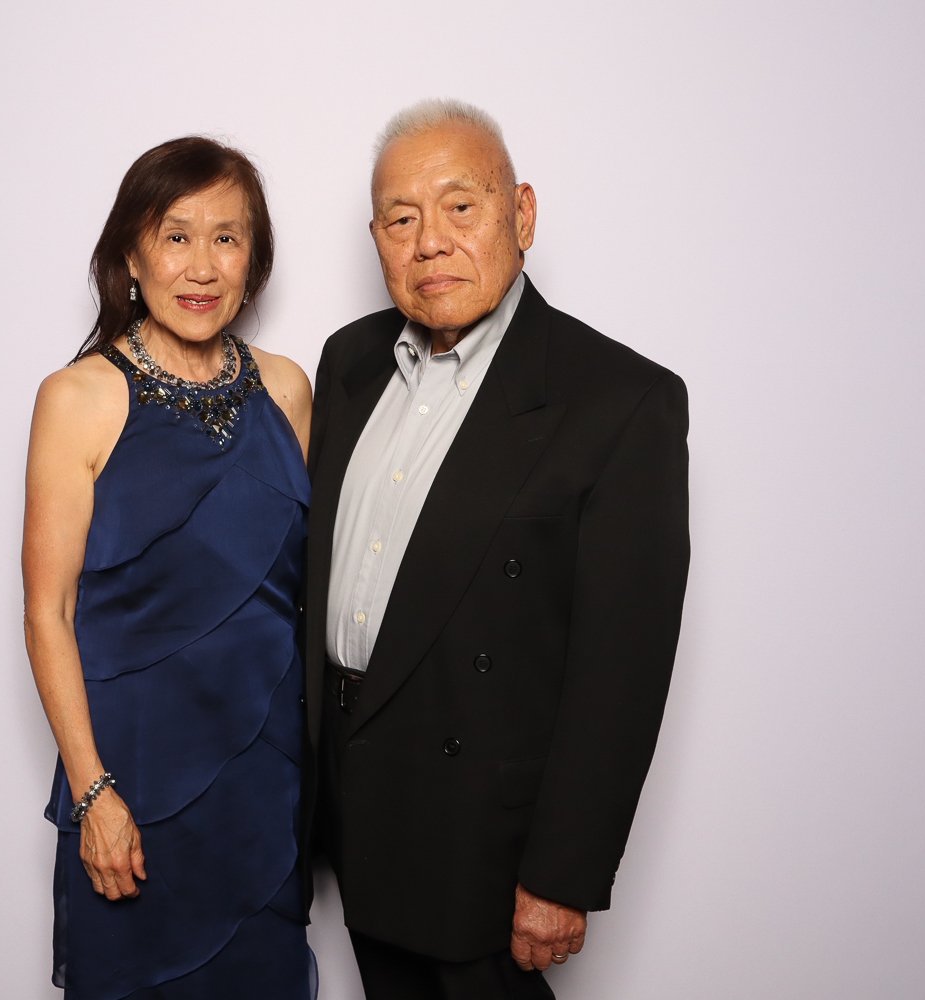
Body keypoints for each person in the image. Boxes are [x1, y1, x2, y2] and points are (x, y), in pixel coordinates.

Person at [305, 99, 690, 999]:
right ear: (376, 238)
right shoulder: (349, 362)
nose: (429, 241)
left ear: (521, 214)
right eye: (402, 219)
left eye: (460, 207)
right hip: (354, 806)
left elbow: (622, 673)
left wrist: (562, 874)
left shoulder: (617, 401)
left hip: (488, 836)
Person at [22, 136, 315, 999]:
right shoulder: (76, 398)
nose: (202, 264)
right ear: (130, 255)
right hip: (133, 782)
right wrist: (93, 794)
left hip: (265, 781)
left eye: (227, 237)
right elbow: (48, 613)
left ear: (253, 260)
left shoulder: (290, 390)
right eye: (176, 234)